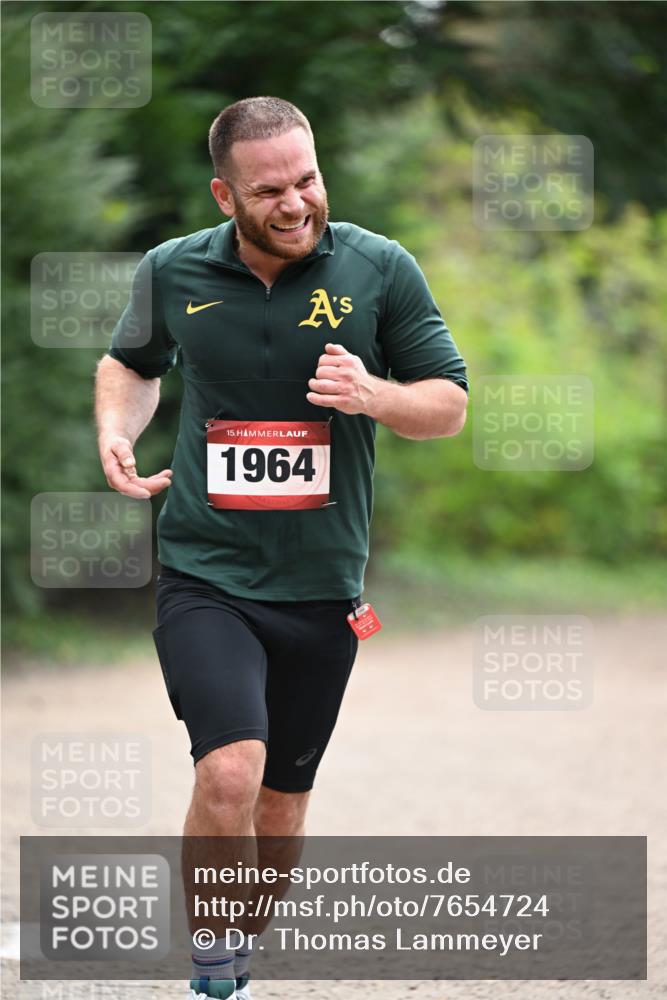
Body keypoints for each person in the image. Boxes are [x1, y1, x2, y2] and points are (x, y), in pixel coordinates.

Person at [95, 96, 468, 1000]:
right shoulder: (172, 270)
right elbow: (131, 365)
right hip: (204, 570)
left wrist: (374, 395)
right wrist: (116, 430)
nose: (296, 203)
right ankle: (215, 968)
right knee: (228, 769)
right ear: (226, 196)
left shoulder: (380, 269)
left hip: (321, 585)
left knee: (281, 804)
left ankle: (238, 935)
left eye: (307, 180)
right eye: (270, 191)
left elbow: (447, 405)